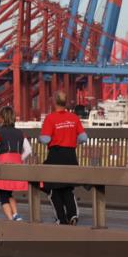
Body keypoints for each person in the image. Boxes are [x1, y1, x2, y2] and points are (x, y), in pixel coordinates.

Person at [38, 91, 88, 225]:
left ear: (54, 102)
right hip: (71, 156)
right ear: (65, 103)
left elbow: (45, 139)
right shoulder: (74, 118)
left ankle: (61, 218)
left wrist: (39, 138)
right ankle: (73, 214)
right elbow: (84, 137)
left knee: (52, 188)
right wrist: (74, 142)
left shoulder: (50, 118)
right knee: (67, 187)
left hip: (56, 155)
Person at [0, 106, 32, 221]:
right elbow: (28, 150)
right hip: (16, 164)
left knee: (3, 195)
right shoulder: (20, 133)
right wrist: (20, 159)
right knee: (8, 192)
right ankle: (16, 215)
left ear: (1, 118)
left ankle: (11, 220)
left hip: (4, 165)